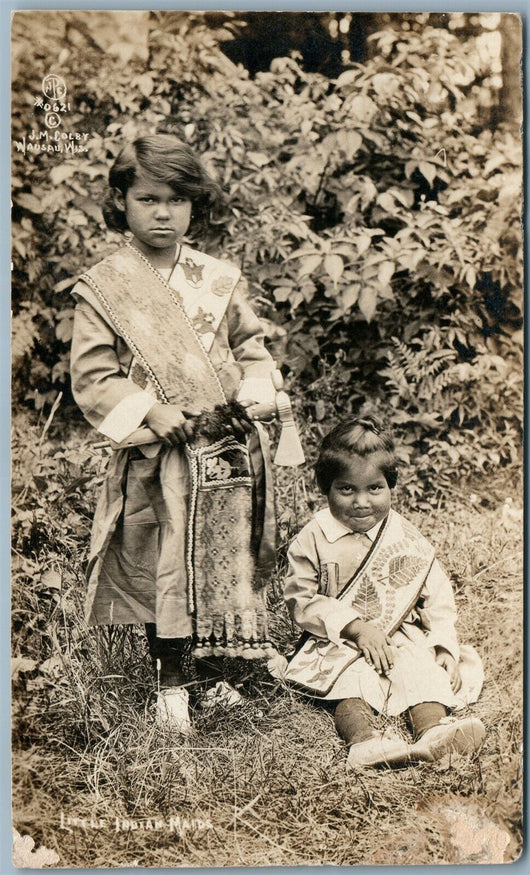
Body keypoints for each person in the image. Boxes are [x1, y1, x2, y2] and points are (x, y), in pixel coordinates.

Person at [70, 133, 280, 735]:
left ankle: (214, 674)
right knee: (161, 564)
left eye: (177, 201)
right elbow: (93, 376)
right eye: (148, 199)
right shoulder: (106, 285)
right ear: (122, 202)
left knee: (219, 560)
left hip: (222, 452)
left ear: (196, 205)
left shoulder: (216, 278)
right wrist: (146, 410)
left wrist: (253, 394)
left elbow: (253, 351)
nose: (163, 213)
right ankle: (170, 687)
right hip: (157, 458)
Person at [282, 417, 485, 769]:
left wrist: (442, 645)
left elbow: (436, 595)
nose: (362, 502)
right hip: (338, 639)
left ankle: (434, 732)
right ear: (325, 489)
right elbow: (301, 601)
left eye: (375, 488)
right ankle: (365, 743)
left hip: (399, 634)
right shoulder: (313, 538)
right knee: (350, 682)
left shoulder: (402, 533)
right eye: (346, 490)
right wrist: (356, 628)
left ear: (390, 486)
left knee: (420, 668)